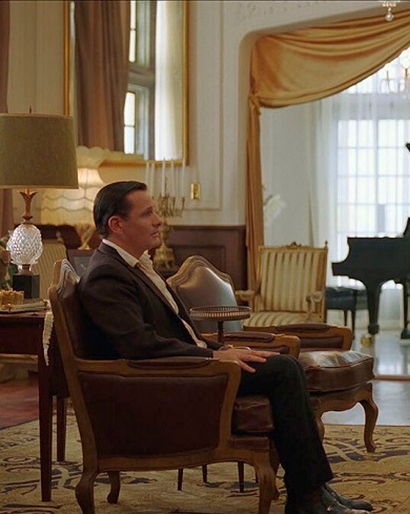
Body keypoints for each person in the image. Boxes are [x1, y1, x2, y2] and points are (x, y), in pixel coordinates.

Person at [79, 181, 371, 514]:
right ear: (117, 224)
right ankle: (308, 498)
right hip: (167, 383)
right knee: (285, 370)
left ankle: (313, 492)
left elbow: (181, 332)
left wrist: (222, 348)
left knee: (282, 362)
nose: (158, 220)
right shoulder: (107, 275)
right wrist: (214, 356)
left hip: (187, 369)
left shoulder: (131, 266)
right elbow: (140, 345)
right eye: (147, 214)